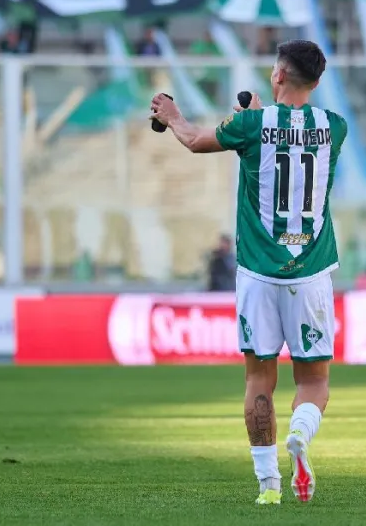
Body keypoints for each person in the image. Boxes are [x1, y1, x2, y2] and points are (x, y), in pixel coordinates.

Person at [149, 40, 347, 506]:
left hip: (258, 273)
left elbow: (198, 140)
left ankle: (268, 486)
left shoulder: (251, 125)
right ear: (316, 82)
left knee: (259, 381)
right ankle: (300, 433)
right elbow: (287, 140)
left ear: (278, 75)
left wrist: (172, 114)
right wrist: (257, 120)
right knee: (314, 383)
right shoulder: (335, 127)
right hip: (311, 272)